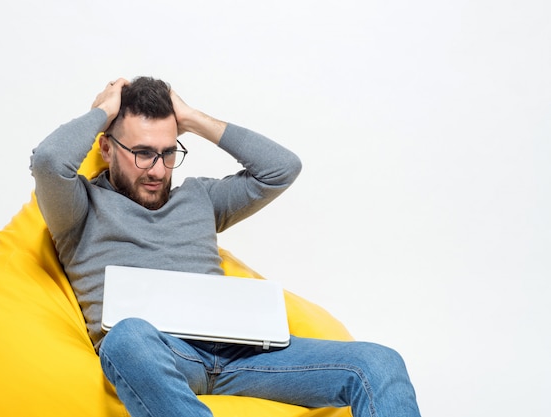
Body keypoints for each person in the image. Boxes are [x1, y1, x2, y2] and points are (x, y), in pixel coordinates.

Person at [30, 76, 421, 417]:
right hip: (163, 356)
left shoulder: (200, 197)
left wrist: (194, 119)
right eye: (143, 153)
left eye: (168, 153)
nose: (157, 169)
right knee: (127, 337)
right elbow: (48, 161)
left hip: (242, 354)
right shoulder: (79, 208)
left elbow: (282, 168)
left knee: (379, 363)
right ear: (106, 148)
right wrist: (104, 109)